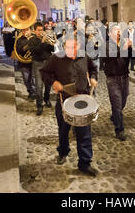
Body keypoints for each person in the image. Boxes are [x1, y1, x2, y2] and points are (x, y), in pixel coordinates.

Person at [40, 35, 99, 177]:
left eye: (73, 47)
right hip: (64, 100)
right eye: (67, 47)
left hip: (82, 100)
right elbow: (44, 72)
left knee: (84, 133)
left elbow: (93, 69)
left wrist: (93, 78)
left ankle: (84, 163)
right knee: (63, 130)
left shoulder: (84, 56)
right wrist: (53, 82)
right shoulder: (57, 58)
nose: (70, 50)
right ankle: (63, 151)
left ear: (78, 47)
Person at [102, 23, 133, 141]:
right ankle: (119, 129)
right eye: (116, 30)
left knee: (123, 101)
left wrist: (131, 48)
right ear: (110, 33)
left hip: (125, 77)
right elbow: (107, 57)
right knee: (117, 103)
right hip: (112, 78)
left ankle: (115, 114)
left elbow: (133, 57)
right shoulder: (106, 45)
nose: (119, 31)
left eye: (120, 30)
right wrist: (123, 49)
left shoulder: (124, 44)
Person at [30, 22, 54, 115]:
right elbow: (36, 51)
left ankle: (46, 99)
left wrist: (52, 42)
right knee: (39, 86)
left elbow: (53, 49)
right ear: (35, 31)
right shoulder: (32, 40)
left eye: (41, 30)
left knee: (48, 85)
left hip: (47, 63)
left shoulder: (46, 39)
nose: (40, 32)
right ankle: (39, 106)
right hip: (38, 64)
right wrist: (43, 42)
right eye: (38, 30)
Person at [16, 27, 36, 100]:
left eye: (27, 30)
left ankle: (33, 93)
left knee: (34, 78)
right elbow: (18, 50)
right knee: (26, 79)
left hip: (34, 61)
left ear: (30, 31)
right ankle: (30, 91)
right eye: (23, 30)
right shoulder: (19, 40)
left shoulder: (35, 38)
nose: (25, 32)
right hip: (24, 62)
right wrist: (27, 46)